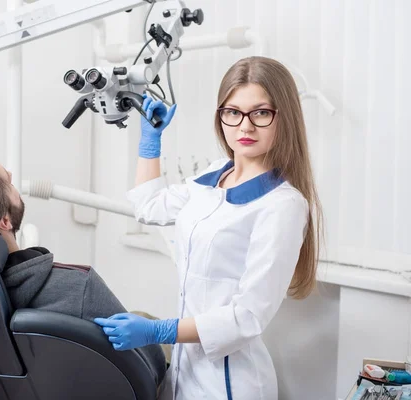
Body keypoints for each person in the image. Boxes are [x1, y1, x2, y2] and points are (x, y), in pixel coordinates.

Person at [94, 56, 323, 399]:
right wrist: (150, 142)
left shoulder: (283, 205)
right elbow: (148, 207)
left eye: (260, 113)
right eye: (233, 112)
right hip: (186, 371)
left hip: (232, 383)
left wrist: (160, 330)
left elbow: (247, 317)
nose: (244, 127)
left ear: (283, 118)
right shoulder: (216, 175)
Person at [0, 146, 169, 392]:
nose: (12, 176)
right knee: (151, 325)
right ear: (5, 220)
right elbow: (153, 370)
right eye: (7, 180)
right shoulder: (77, 288)